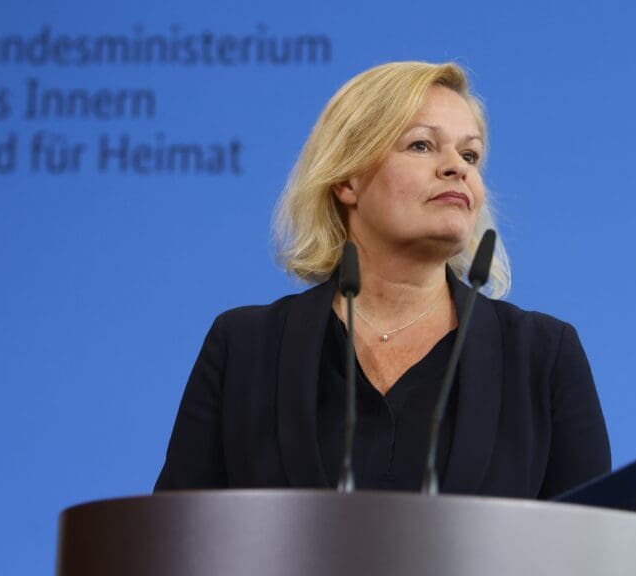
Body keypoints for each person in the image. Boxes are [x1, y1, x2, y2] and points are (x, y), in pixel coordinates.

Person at [155, 61, 610, 498]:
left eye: (470, 154)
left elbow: (595, 548)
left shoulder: (544, 358)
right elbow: (170, 542)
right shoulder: (244, 348)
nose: (458, 167)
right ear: (347, 180)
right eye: (421, 146)